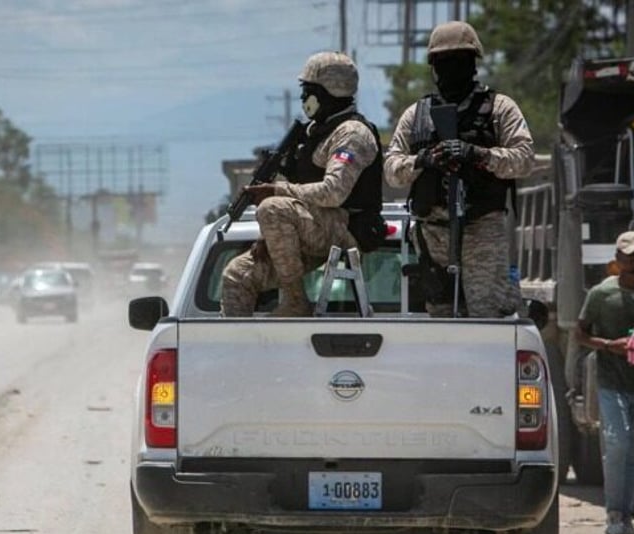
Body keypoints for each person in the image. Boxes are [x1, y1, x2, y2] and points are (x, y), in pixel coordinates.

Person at [384, 20, 534, 318]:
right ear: (434, 66)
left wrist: (477, 154)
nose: (451, 69)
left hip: (482, 228)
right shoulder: (417, 115)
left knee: (488, 314)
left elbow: (524, 159)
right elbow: (391, 169)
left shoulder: (499, 109)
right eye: (443, 62)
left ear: (473, 63)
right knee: (440, 315)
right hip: (434, 232)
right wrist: (424, 160)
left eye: (459, 61)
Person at [220, 51, 384, 317]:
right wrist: (270, 237)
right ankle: (238, 352)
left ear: (328, 93)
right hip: (313, 229)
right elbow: (299, 193)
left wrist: (275, 191)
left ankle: (295, 302)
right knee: (238, 275)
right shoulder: (313, 133)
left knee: (272, 208)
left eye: (308, 91)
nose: (303, 98)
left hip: (345, 228)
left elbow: (333, 192)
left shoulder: (352, 134)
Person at [575, 230, 634, 534]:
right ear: (617, 261)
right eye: (630, 257)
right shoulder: (601, 295)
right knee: (617, 443)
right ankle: (613, 514)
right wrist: (608, 345)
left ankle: (626, 516)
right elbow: (579, 334)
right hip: (610, 382)